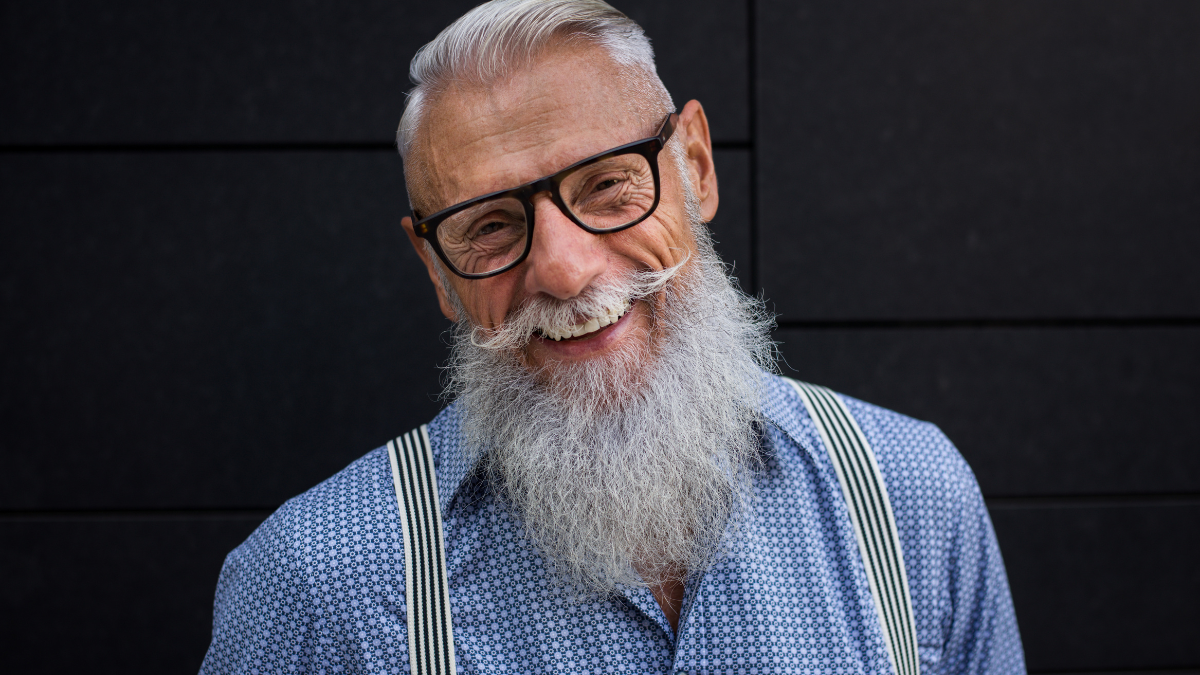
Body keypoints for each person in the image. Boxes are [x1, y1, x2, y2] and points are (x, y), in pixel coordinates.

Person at [201, 1, 1024, 672]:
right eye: (489, 225)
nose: (563, 269)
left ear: (694, 166)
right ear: (436, 267)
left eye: (606, 184)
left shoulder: (912, 499)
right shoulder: (314, 584)